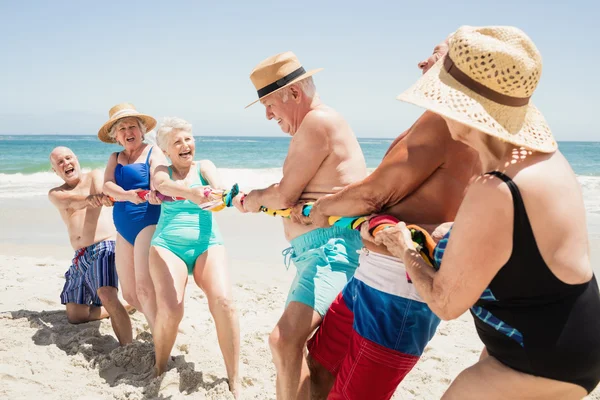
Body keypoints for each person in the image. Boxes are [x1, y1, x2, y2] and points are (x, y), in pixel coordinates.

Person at [374, 25, 600, 399]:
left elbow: (446, 304)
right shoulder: (544, 161)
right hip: (568, 339)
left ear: (462, 110)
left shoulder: (494, 189)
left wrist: (404, 248)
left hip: (542, 358)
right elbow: (525, 251)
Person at [296, 39, 480, 400]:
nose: (421, 61)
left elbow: (373, 193)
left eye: (436, 53)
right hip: (369, 276)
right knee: (319, 363)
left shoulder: (444, 122)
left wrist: (322, 208)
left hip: (401, 291)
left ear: (458, 69)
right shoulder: (442, 121)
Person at [235, 51, 367, 399]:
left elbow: (285, 197)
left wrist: (252, 198)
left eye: (268, 104)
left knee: (283, 341)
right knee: (305, 353)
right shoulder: (321, 122)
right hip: (319, 251)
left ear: (293, 94)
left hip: (330, 251)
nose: (267, 115)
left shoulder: (317, 121)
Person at [148, 117, 240, 396]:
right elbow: (162, 186)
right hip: (168, 245)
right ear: (166, 150)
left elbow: (221, 190)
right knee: (172, 309)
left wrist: (224, 197)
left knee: (224, 302)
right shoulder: (161, 168)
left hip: (207, 243)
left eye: (188, 138)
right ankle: (160, 366)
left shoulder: (205, 167)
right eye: (177, 141)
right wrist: (191, 193)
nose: (185, 145)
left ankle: (234, 378)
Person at [48, 146, 132, 345]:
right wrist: (89, 199)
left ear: (76, 159)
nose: (66, 163)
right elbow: (70, 201)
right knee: (75, 316)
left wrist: (106, 195)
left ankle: (128, 347)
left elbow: (106, 189)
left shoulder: (94, 176)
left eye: (68, 158)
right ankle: (127, 305)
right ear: (55, 170)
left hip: (104, 246)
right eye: (60, 162)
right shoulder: (56, 193)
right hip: (80, 256)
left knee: (106, 292)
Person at [99, 103, 168, 331]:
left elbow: (159, 175)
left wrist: (158, 188)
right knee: (129, 293)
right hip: (123, 228)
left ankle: (160, 338)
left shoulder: (152, 151)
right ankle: (162, 324)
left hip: (147, 221)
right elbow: (107, 185)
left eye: (132, 127)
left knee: (143, 288)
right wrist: (127, 195)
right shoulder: (115, 157)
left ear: (141, 131)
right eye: (122, 129)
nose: (128, 132)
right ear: (116, 136)